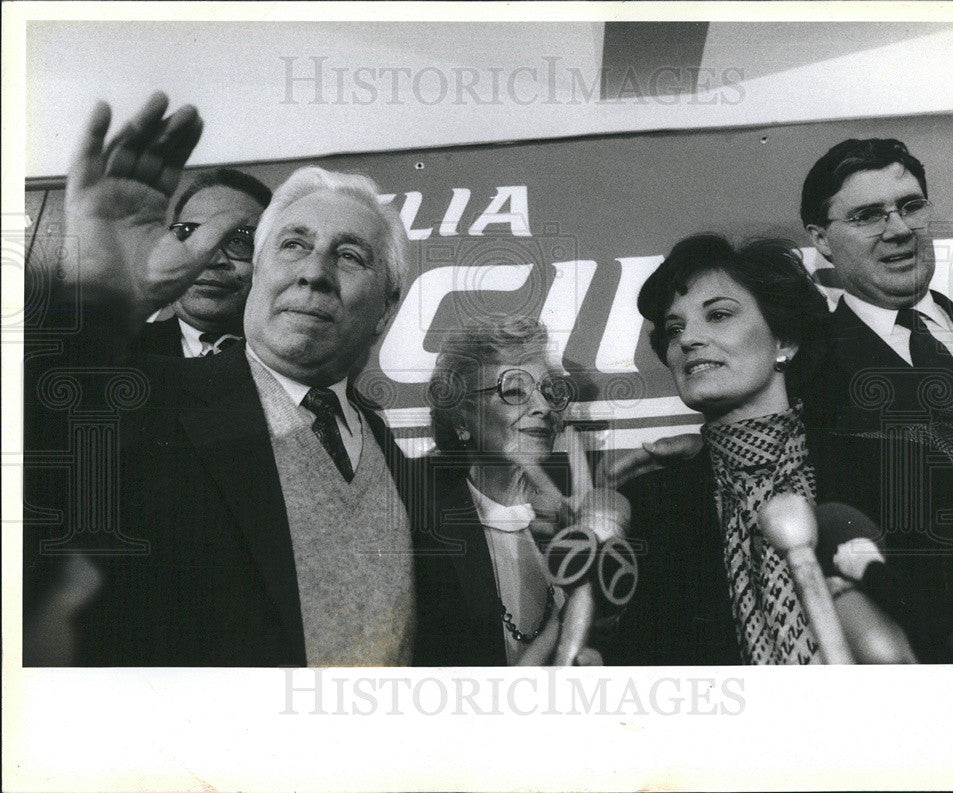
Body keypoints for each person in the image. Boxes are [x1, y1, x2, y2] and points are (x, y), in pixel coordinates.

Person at [28, 92, 416, 666]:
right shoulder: (142, 400)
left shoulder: (396, 460)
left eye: (351, 256)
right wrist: (93, 305)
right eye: (293, 245)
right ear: (258, 275)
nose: (314, 273)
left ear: (386, 308)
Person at [611, 234, 953, 665]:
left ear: (784, 341)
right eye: (675, 329)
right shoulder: (649, 506)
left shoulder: (903, 472)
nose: (689, 339)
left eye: (718, 315)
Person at [415, 315, 614, 666]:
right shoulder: (420, 523)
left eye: (550, 392)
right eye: (514, 391)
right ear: (462, 417)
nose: (543, 408)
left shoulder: (584, 516)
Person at [800, 138, 953, 451]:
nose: (899, 230)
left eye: (911, 207)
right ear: (822, 239)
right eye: (867, 215)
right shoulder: (809, 373)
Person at [138, 168, 272, 357]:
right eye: (193, 237)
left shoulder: (300, 363)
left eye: (237, 241)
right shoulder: (116, 354)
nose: (211, 258)